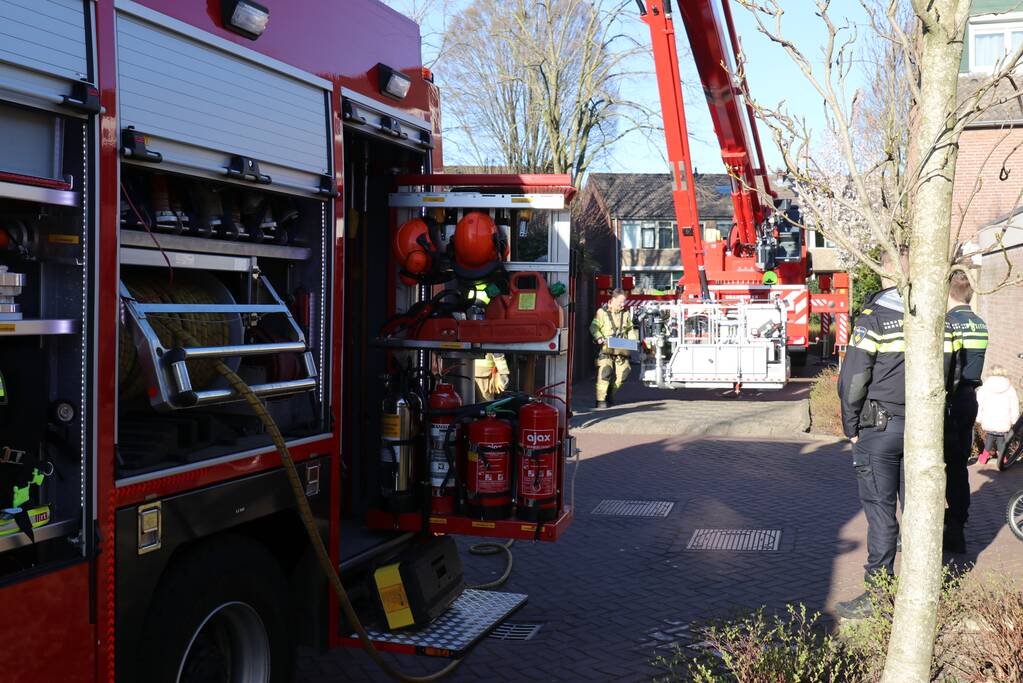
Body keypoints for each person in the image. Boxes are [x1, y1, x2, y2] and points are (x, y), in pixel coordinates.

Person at [835, 248, 956, 619]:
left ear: (885, 271)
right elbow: (951, 375)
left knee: (881, 513)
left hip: (880, 430)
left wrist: (851, 426)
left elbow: (854, 379)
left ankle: (878, 595)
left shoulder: (874, 318)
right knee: (920, 511)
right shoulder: (939, 317)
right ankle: (921, 593)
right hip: (924, 430)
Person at [943, 271, 987, 553]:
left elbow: (946, 368)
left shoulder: (949, 324)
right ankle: (958, 522)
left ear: (947, 294)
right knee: (959, 464)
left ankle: (949, 528)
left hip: (950, 400)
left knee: (942, 465)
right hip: (969, 399)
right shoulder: (980, 324)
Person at [590, 288, 637, 409]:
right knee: (605, 371)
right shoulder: (602, 312)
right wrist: (599, 337)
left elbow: (630, 330)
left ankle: (610, 393)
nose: (623, 305)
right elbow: (594, 327)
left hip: (621, 348)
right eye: (620, 302)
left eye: (624, 302)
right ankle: (600, 400)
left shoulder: (625, 314)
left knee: (625, 372)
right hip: (606, 348)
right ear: (613, 299)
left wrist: (633, 341)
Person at [975, 366, 1020, 465]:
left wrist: (978, 418)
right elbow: (1014, 406)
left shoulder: (984, 387)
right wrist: (1014, 420)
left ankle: (983, 458)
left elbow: (979, 404)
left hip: (989, 421)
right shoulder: (1010, 388)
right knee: (1000, 440)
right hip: (1003, 422)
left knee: (989, 439)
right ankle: (1002, 459)